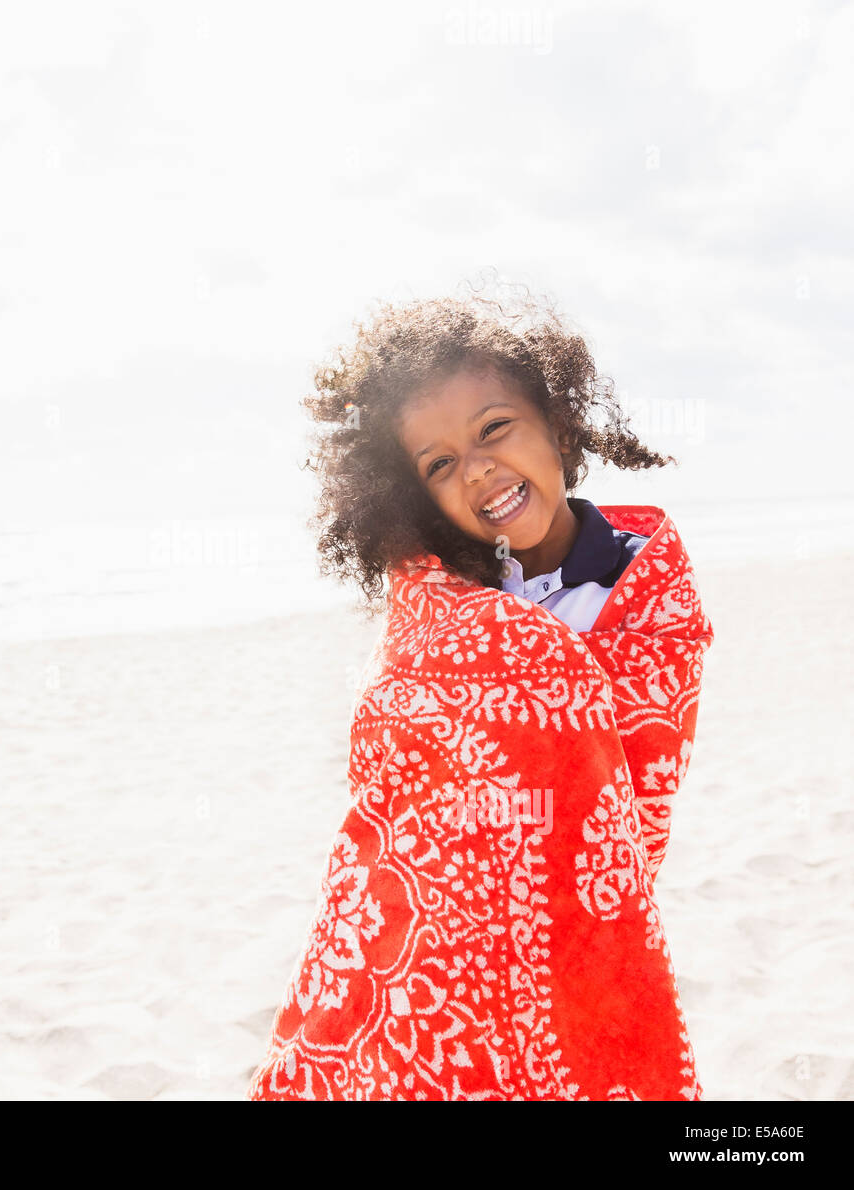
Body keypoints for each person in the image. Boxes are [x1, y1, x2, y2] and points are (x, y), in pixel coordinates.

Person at [247, 282, 715, 1100]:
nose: (479, 469)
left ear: (559, 423)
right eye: (439, 465)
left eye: (494, 428)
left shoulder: (650, 598)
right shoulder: (434, 601)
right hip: (426, 947)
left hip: (574, 930)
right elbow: (389, 783)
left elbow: (637, 805)